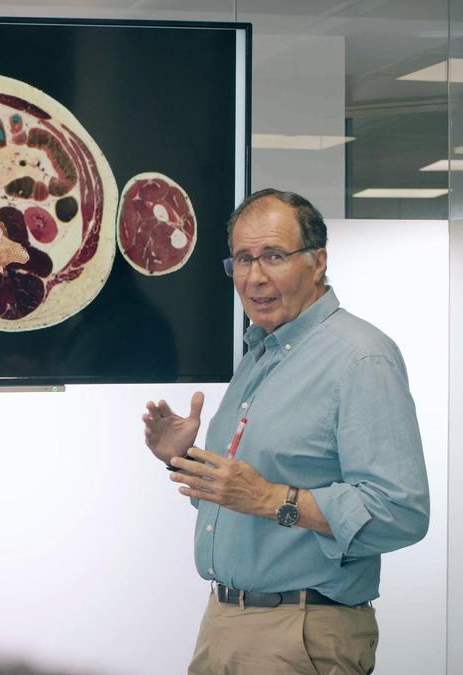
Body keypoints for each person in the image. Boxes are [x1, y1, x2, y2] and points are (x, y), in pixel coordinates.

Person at [143, 189, 430, 674]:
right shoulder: (260, 352)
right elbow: (240, 495)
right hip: (225, 623)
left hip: (299, 632)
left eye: (274, 256)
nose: (254, 277)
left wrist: (272, 498)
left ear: (318, 262)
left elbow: (400, 513)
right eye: (242, 259)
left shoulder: (360, 358)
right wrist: (183, 457)